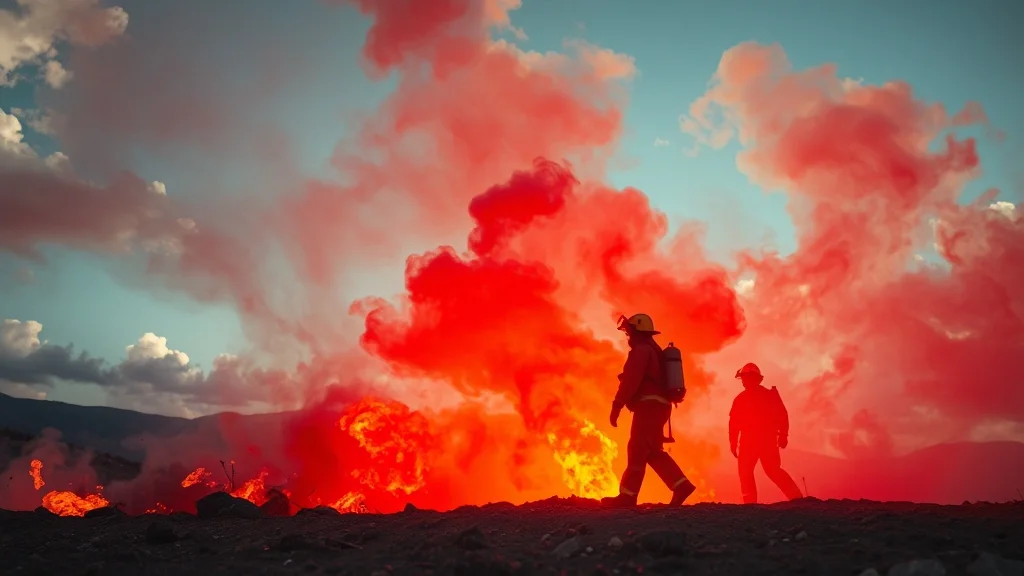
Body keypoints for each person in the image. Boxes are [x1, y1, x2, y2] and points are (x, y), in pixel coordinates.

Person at [600, 313, 697, 507]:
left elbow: (631, 380)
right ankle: (681, 485)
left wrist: (617, 404)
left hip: (648, 406)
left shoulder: (641, 350)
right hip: (660, 407)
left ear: (637, 332)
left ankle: (627, 496)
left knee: (637, 449)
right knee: (652, 451)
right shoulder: (655, 351)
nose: (628, 336)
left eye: (629, 332)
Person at [729, 363, 803, 503]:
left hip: (757, 442)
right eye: (744, 378)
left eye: (746, 378)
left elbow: (782, 415)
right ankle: (796, 499)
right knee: (764, 471)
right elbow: (734, 424)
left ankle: (796, 499)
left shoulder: (751, 398)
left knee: (759, 471)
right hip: (759, 441)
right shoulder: (752, 398)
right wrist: (733, 442)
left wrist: (783, 435)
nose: (745, 381)